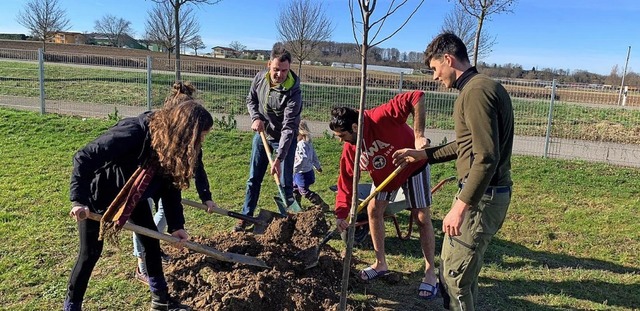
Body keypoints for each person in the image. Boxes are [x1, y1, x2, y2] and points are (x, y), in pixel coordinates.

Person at [392, 32, 514, 311]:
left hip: (481, 199)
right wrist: (423, 155)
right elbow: (467, 145)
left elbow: (486, 156)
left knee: (455, 278)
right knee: (454, 270)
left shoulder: (475, 92)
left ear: (448, 59)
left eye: (435, 69)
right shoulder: (482, 87)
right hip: (480, 195)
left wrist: (460, 206)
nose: (435, 77)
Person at [65, 100, 213, 311]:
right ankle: (71, 307)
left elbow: (170, 187)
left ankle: (161, 300)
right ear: (186, 130)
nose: (201, 141)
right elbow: (85, 157)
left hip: (134, 196)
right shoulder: (135, 132)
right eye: (200, 136)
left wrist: (176, 226)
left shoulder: (173, 148)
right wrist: (78, 200)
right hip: (99, 195)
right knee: (90, 254)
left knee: (151, 243)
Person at [330, 90, 439, 300]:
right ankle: (380, 263)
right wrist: (341, 213)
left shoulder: (381, 116)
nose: (341, 141)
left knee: (422, 217)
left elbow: (416, 96)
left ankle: (430, 272)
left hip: (412, 164)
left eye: (342, 136)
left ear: (355, 127)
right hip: (386, 176)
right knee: (373, 210)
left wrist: (418, 136)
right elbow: (345, 181)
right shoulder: (351, 148)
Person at [132, 81, 219, 285]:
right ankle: (141, 264)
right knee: (143, 216)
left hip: (166, 184)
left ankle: (153, 245)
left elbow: (198, 165)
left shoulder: (190, 137)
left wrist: (206, 197)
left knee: (164, 211)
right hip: (143, 180)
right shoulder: (157, 128)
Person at [236, 44, 302, 231]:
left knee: (286, 181)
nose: (280, 74)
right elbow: (251, 100)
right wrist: (256, 118)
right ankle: (246, 215)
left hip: (285, 138)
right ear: (268, 65)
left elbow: (289, 127)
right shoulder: (260, 79)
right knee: (253, 178)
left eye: (284, 70)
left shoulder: (294, 92)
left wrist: (279, 158)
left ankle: (291, 222)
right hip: (263, 133)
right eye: (276, 70)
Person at [292, 120, 329, 211]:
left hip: (302, 173)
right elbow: (314, 156)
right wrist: (318, 166)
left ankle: (321, 204)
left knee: (304, 191)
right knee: (295, 188)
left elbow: (302, 159)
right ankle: (296, 206)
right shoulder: (308, 143)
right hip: (306, 172)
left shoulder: (301, 145)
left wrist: (293, 169)